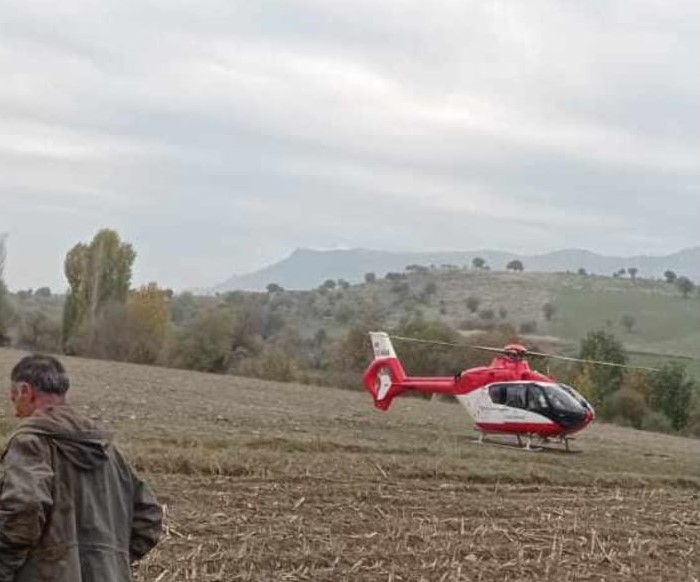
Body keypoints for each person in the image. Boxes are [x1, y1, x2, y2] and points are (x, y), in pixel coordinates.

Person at [0, 354, 163, 581]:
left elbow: (24, 507)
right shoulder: (108, 450)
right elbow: (149, 516)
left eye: (14, 399)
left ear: (26, 391)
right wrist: (111, 560)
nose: (16, 411)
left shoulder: (31, 442)